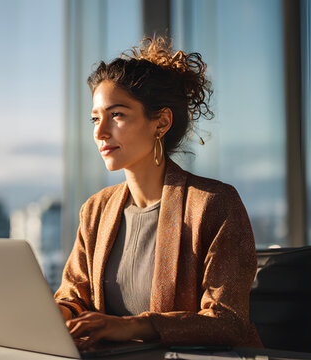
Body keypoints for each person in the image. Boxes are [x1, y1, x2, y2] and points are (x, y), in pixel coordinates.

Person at [54, 36, 263, 349]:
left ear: (161, 122)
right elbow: (73, 296)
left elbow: (228, 321)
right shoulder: (96, 210)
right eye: (95, 118)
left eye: (117, 115)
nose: (99, 132)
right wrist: (52, 315)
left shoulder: (214, 204)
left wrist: (134, 326)